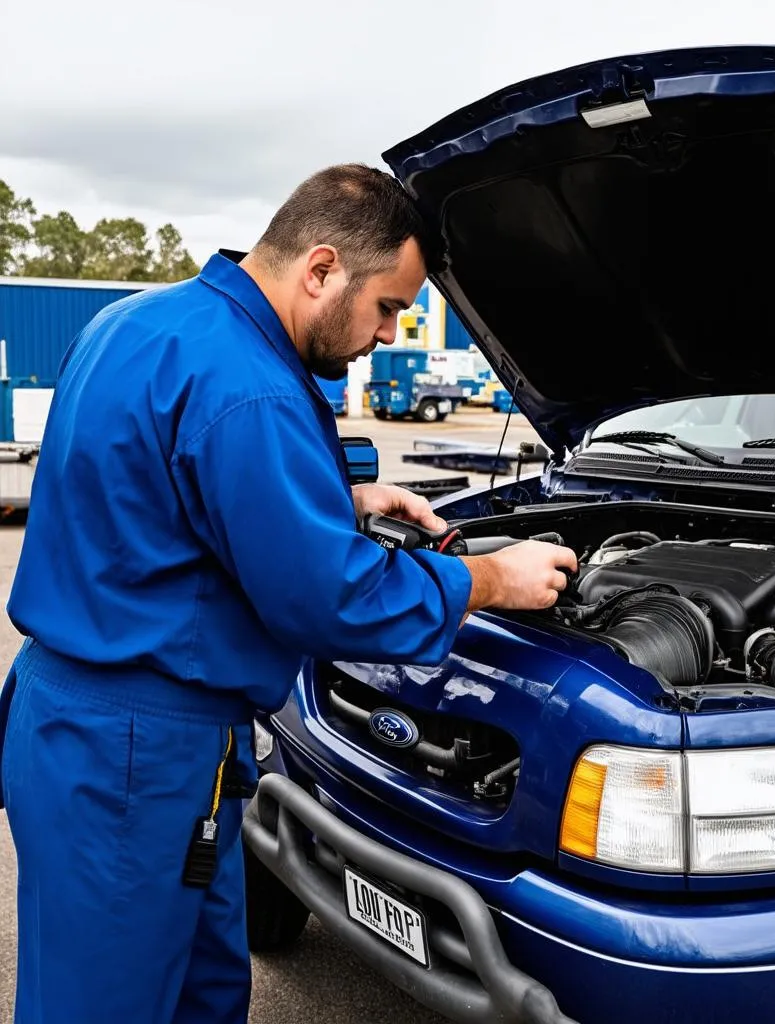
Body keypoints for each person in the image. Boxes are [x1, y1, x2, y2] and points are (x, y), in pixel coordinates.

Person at [0, 164, 577, 1024]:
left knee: (204, 995)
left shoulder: (138, 324)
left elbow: (149, 492)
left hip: (109, 732)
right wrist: (492, 578)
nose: (389, 334)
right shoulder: (251, 387)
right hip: (134, 754)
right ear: (319, 269)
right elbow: (329, 600)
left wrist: (336, 500)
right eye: (387, 306)